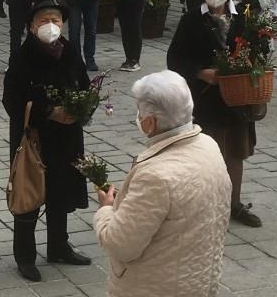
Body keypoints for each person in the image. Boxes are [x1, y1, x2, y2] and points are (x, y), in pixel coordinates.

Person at [94, 70, 231, 297]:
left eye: (139, 111)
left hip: (153, 287)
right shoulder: (208, 145)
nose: (137, 117)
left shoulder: (155, 176)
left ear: (150, 122)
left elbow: (121, 245)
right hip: (197, 280)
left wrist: (106, 210)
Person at [2, 0, 92, 282]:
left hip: (67, 136)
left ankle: (58, 245)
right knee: (29, 192)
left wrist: (80, 109)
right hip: (35, 138)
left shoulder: (69, 50)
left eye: (55, 20)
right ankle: (25, 255)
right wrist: (49, 112)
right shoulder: (22, 56)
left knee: (61, 189)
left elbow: (84, 84)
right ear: (31, 27)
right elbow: (11, 100)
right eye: (43, 21)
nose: (50, 26)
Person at [167, 0, 263, 228]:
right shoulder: (192, 20)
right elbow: (174, 59)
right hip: (205, 99)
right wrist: (201, 73)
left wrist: (249, 69)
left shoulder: (243, 18)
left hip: (237, 99)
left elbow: (259, 52)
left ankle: (234, 204)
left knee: (236, 151)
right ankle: (206, 207)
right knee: (207, 154)